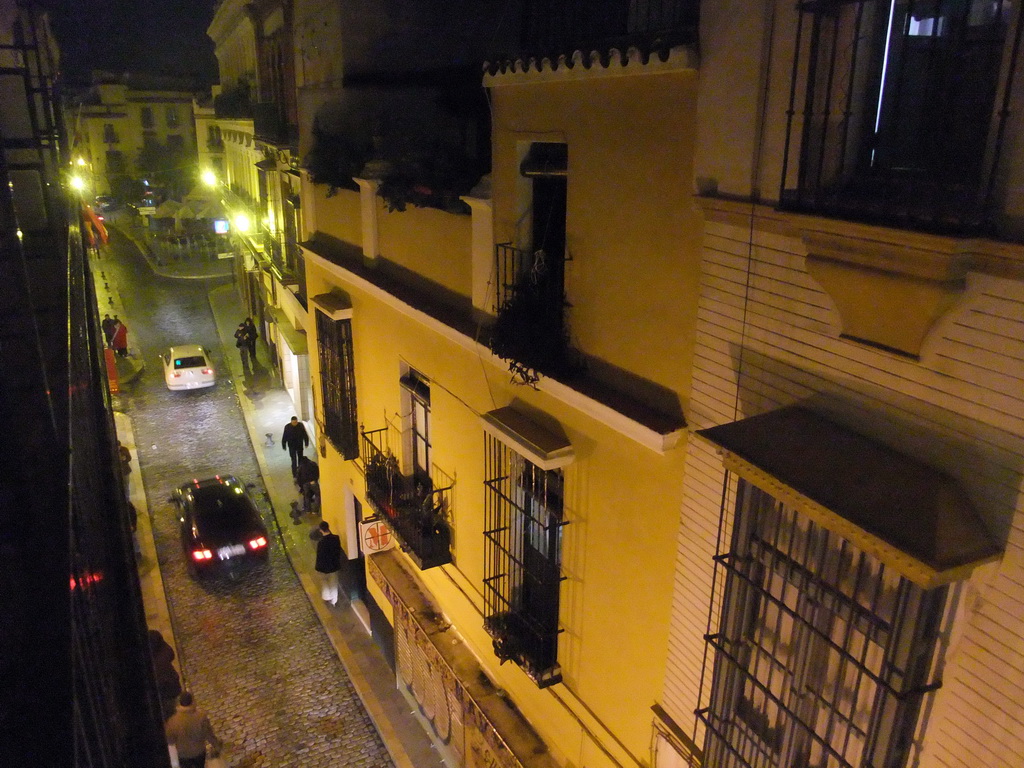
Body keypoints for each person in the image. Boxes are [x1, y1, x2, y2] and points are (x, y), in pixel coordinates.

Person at [165, 691, 222, 768]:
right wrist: (216, 745)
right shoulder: (201, 717)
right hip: (199, 752)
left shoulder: (173, 721)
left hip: (183, 755)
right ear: (192, 702)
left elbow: (170, 740)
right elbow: (209, 734)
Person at [148, 629, 182, 721]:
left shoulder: (153, 661)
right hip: (173, 685)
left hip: (164, 691)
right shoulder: (163, 649)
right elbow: (171, 654)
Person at [315, 521, 342, 606]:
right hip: (333, 565)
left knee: (324, 582)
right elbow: (338, 551)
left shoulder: (321, 543)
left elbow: (319, 556)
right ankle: (334, 601)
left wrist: (318, 567)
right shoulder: (336, 538)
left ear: (320, 530)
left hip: (323, 567)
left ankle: (327, 597)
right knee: (333, 583)